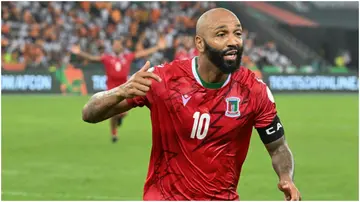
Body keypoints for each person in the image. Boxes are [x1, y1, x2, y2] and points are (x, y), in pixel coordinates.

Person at [81, 8, 301, 201]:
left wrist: (286, 178)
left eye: (238, 33)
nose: (233, 41)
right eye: (221, 34)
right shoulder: (163, 80)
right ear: (200, 43)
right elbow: (89, 114)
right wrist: (121, 91)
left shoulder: (254, 90)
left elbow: (278, 147)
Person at [72, 37, 166, 143]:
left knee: (123, 113)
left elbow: (142, 53)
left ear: (122, 46)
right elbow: (93, 58)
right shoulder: (107, 58)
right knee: (114, 112)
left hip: (126, 88)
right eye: (115, 44)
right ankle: (114, 133)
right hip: (111, 90)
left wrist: (157, 47)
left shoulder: (127, 57)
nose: (116, 46)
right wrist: (79, 53)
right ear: (112, 47)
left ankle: (119, 119)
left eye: (118, 44)